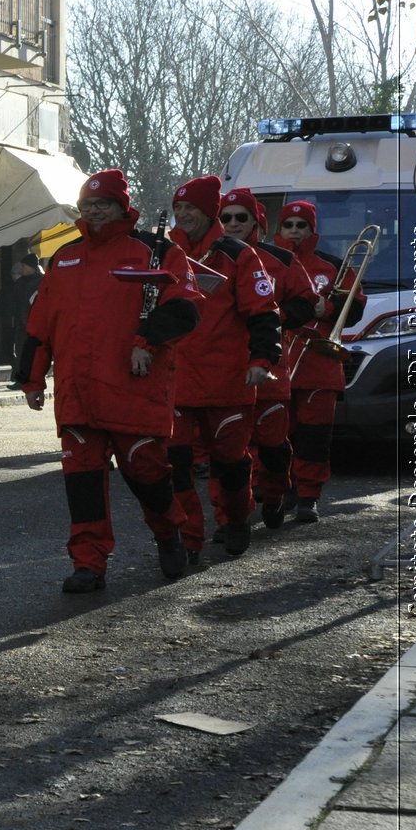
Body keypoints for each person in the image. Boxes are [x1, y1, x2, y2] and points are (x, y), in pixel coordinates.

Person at [15, 168, 203, 593]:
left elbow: (184, 310)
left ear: (122, 207)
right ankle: (88, 563)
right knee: (81, 483)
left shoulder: (157, 251)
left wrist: (147, 342)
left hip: (134, 387)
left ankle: (168, 529)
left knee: (146, 472)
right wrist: (31, 378)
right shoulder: (64, 256)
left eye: (103, 204)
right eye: (88, 205)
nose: (94, 211)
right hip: (78, 393)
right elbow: (40, 322)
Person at [163, 175, 281, 561]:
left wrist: (262, 361)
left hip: (227, 381)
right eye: (178, 209)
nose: (183, 216)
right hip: (175, 383)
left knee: (229, 462)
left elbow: (264, 314)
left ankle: (236, 519)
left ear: (208, 212)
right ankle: (188, 537)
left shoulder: (239, 255)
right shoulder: (163, 253)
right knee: (175, 465)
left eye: (191, 209)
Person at [213, 189, 318, 529]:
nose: (231, 224)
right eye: (224, 217)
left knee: (272, 445)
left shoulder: (281, 260)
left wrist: (270, 318)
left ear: (256, 221)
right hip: (224, 371)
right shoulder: (203, 257)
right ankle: (231, 519)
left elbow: (306, 304)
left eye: (239, 217)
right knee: (226, 453)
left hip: (269, 368)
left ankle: (274, 494)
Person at [274, 199, 366, 522]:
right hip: (278, 360)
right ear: (279, 229)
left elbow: (353, 312)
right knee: (277, 434)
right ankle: (280, 489)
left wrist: (325, 310)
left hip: (319, 364)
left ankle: (308, 496)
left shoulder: (334, 265)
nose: (295, 232)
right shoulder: (266, 261)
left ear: (313, 231)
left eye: (302, 226)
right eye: (289, 225)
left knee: (314, 437)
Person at [0, 251, 43, 368]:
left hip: (35, 325)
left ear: (32, 266)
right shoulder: (20, 283)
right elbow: (6, 300)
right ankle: (21, 379)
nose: (22, 269)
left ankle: (31, 379)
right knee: (20, 351)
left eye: (25, 266)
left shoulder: (42, 282)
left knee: (33, 353)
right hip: (21, 324)